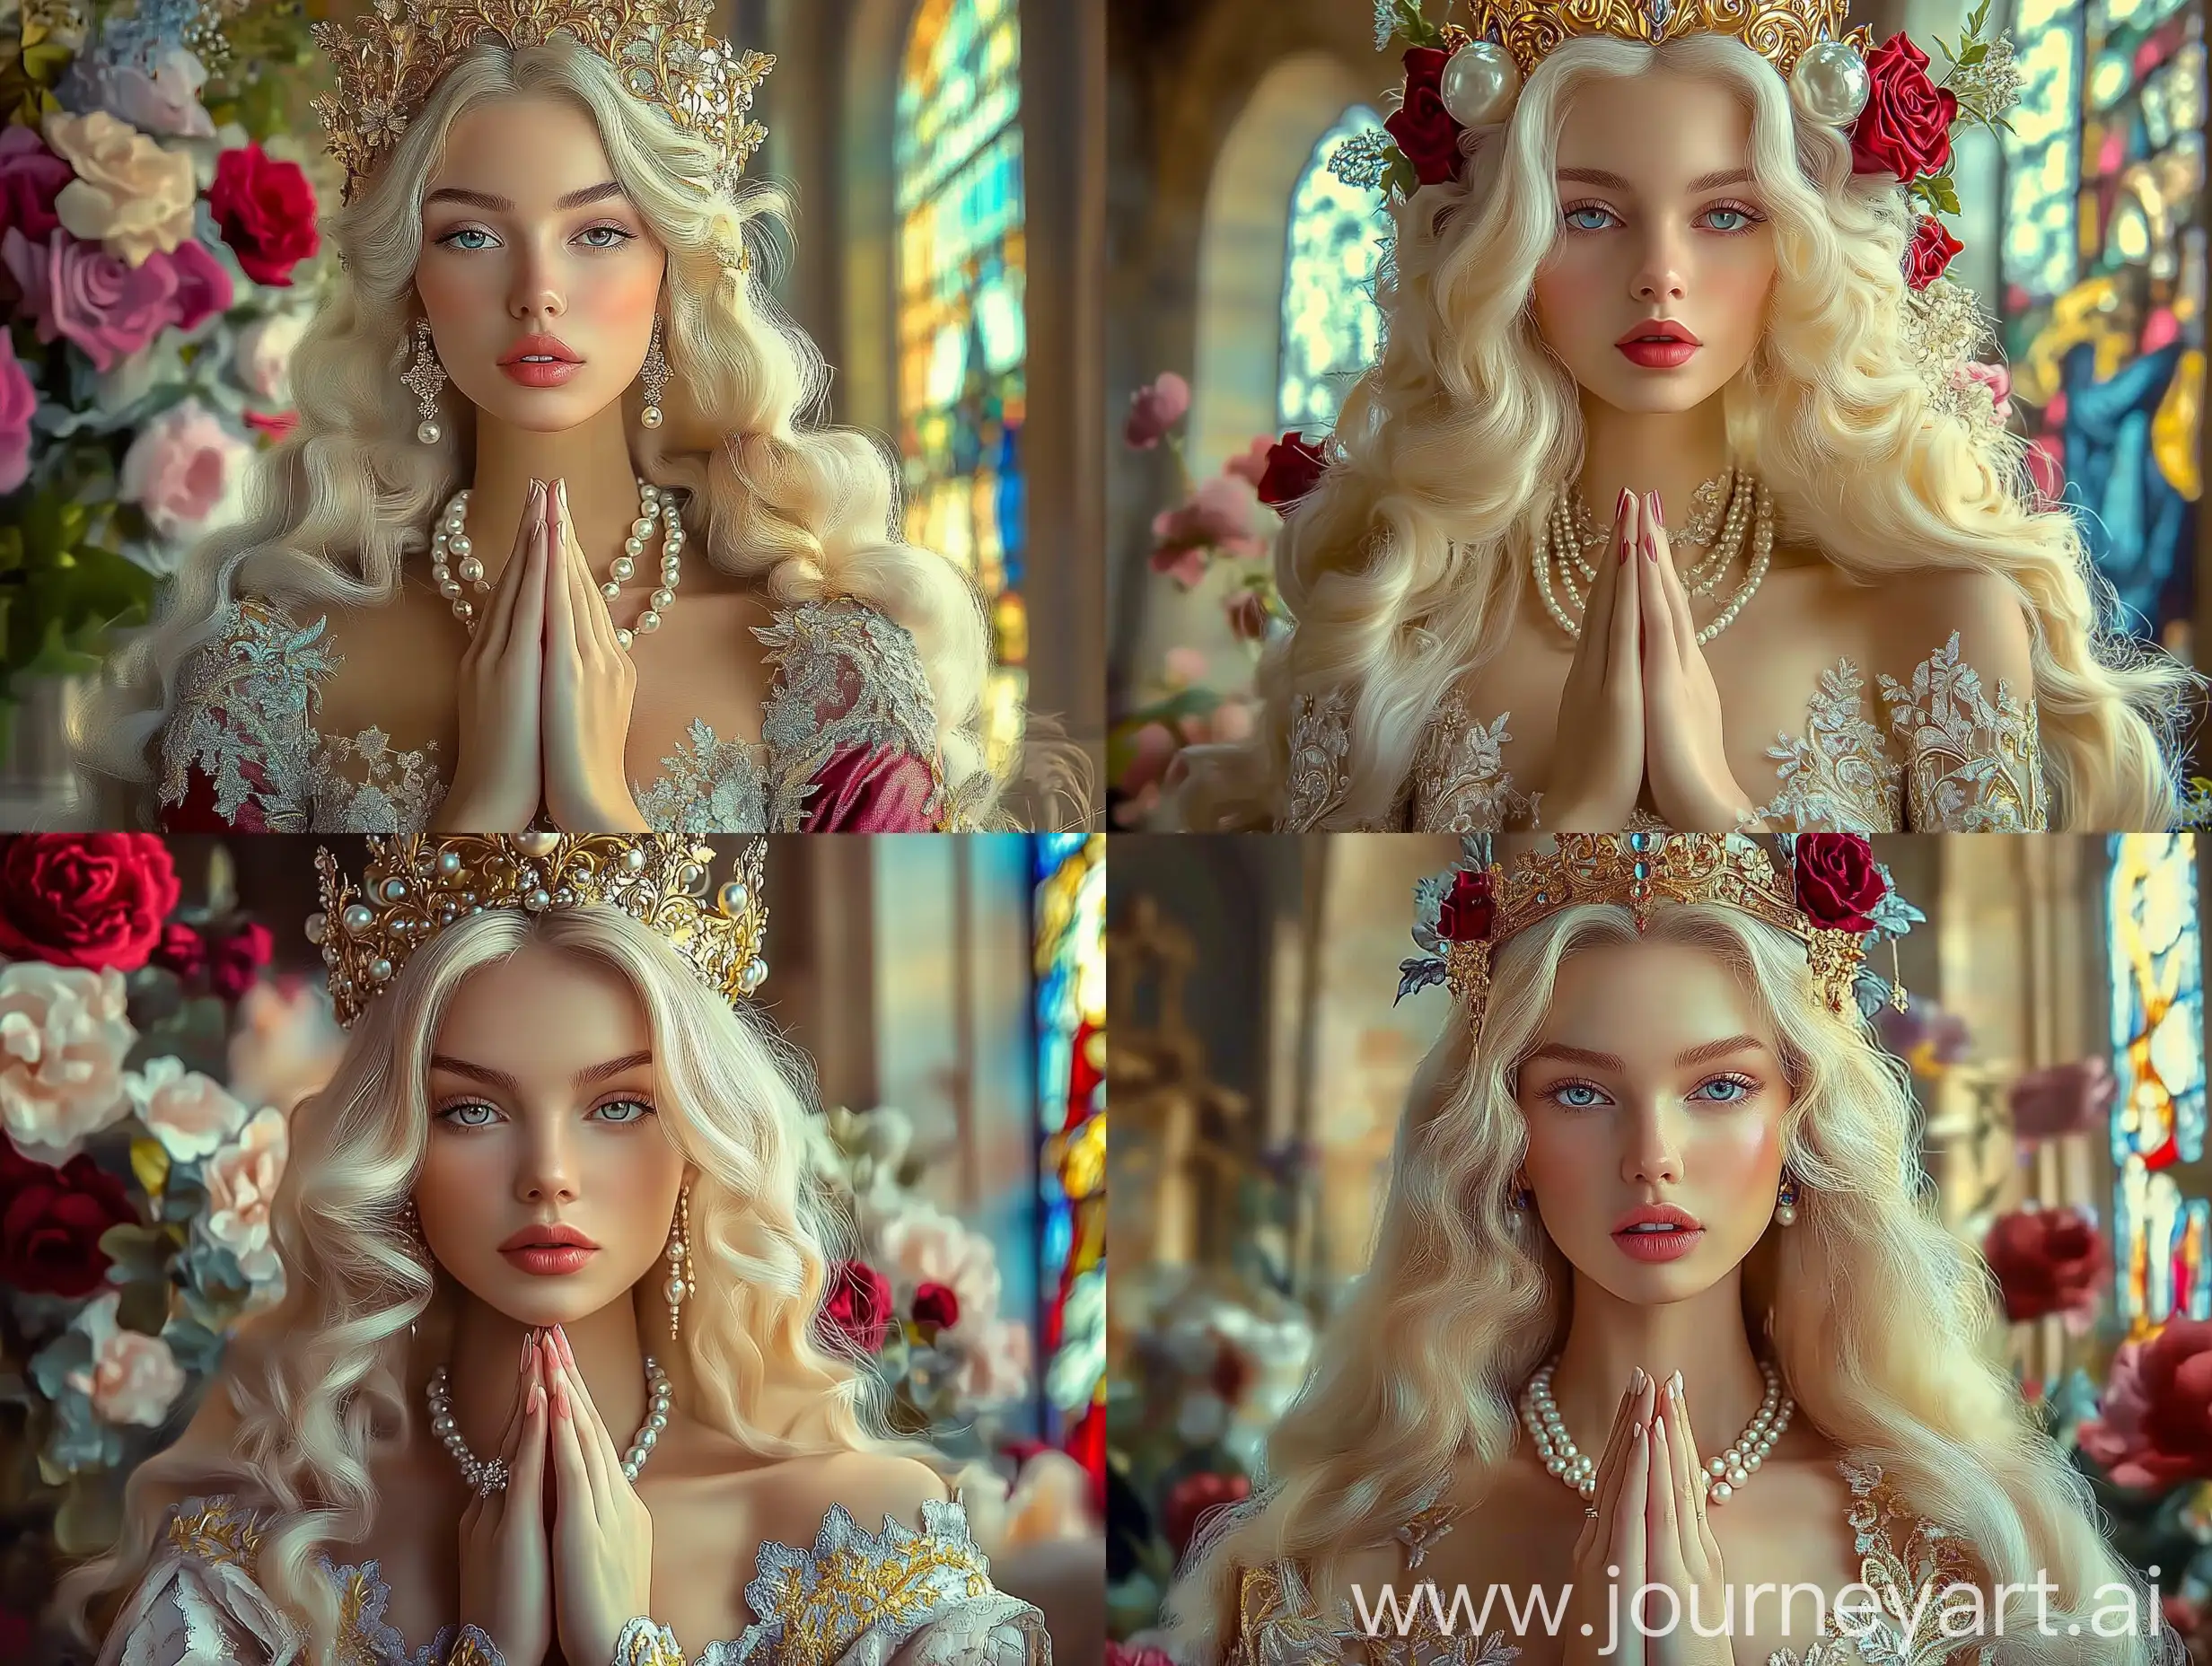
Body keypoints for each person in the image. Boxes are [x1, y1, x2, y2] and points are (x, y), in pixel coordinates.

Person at [1177, 0, 2197, 834]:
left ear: (1799, 244)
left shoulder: (1939, 619)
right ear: (1503, 250)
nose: (1660, 275)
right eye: (1588, 213)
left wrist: (1713, 804)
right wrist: (1573, 811)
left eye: (1725, 213)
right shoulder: (1389, 620)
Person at [1162, 832, 2182, 1664]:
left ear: (1799, 1127)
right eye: (1579, 1092)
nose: (1652, 1158)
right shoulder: (1346, 1557)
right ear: (1507, 1142)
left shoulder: (1967, 1547)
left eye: (1718, 1087)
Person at [57, 833, 1050, 1664]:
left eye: (619, 1105)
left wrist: (627, 1644)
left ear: (698, 1147)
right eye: (473, 1109)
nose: (549, 1172)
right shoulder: (252, 1566)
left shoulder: (872, 1543)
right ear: (396, 1152)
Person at [74, 0, 1011, 834]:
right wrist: (474, 810)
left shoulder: (825, 667)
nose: (537, 294)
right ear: (413, 282)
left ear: (669, 272)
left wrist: (602, 810)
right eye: (471, 236)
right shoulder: (266, 678)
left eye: (597, 233)